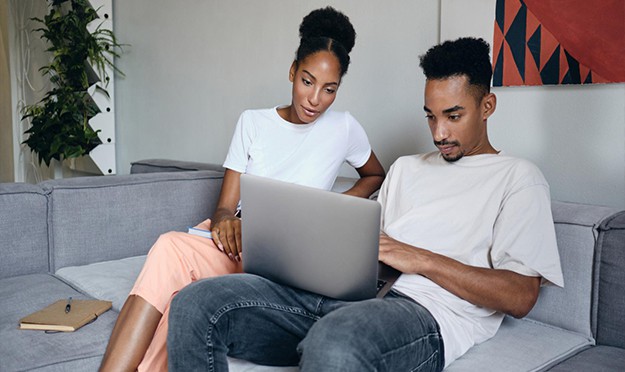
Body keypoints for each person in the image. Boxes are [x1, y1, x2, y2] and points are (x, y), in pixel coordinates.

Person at [166, 37, 564, 372]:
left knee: (335, 341)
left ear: (488, 106)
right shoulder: (406, 168)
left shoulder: (518, 178)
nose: (439, 132)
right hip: (348, 297)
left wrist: (419, 258)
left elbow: (520, 296)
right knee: (195, 302)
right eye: (430, 117)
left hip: (423, 315)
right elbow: (368, 249)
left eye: (453, 116)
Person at [99, 7, 385, 372]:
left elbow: (375, 174)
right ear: (292, 71)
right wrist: (225, 222)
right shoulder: (253, 122)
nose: (315, 99)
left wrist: (335, 206)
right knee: (171, 259)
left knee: (173, 260)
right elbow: (223, 207)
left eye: (329, 90)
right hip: (237, 242)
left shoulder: (345, 128)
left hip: (292, 259)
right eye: (307, 81)